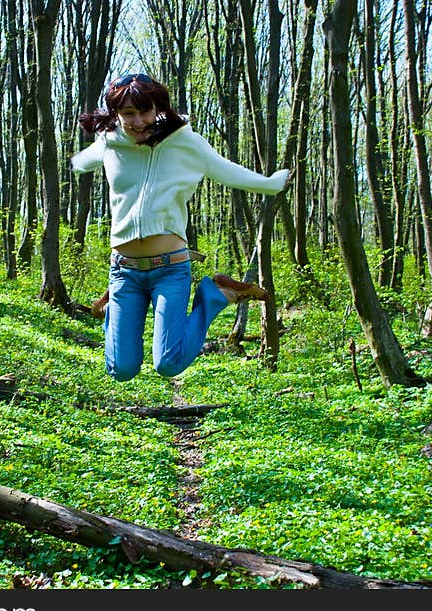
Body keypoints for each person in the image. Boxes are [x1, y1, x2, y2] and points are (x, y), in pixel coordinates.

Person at [71, 72, 290, 382]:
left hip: (170, 269)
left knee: (169, 363)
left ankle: (215, 294)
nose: (137, 122)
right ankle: (109, 309)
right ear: (116, 114)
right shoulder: (109, 143)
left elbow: (227, 172)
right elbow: (79, 162)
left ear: (159, 108)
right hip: (123, 271)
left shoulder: (185, 143)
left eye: (145, 111)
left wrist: (270, 185)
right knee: (120, 369)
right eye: (128, 113)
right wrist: (72, 162)